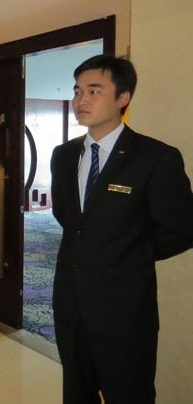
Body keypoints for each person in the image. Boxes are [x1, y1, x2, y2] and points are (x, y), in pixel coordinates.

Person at [50, 54, 193, 404]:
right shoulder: (63, 155)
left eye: (94, 91)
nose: (81, 100)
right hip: (71, 303)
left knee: (130, 395)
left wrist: (128, 254)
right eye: (77, 91)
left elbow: (182, 229)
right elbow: (68, 217)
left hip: (125, 310)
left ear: (123, 98)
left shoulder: (156, 158)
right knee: (76, 393)